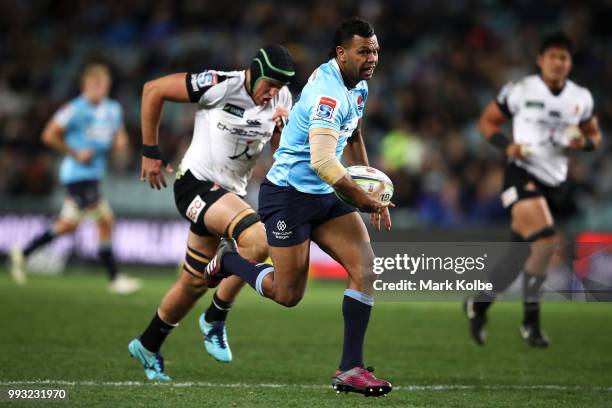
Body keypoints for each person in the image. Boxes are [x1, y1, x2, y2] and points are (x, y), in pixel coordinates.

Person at [203, 18, 393, 397]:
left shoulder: (357, 86)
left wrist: (369, 180)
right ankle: (229, 262)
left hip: (324, 195)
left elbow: (353, 132)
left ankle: (350, 369)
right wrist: (364, 198)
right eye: (363, 51)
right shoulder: (327, 95)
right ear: (341, 53)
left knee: (366, 269)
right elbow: (323, 162)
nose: (372, 57)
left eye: (374, 50)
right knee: (287, 294)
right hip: (288, 195)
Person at [129, 45, 295, 381]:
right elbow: (153, 90)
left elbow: (280, 157)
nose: (274, 93)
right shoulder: (221, 84)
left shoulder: (282, 100)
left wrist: (282, 132)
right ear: (254, 73)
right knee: (257, 241)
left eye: (280, 87)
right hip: (195, 184)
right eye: (270, 84)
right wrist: (149, 150)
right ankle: (216, 316)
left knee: (192, 282)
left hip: (227, 197)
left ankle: (147, 344)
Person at [464, 32, 602, 347]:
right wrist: (507, 145)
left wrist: (584, 142)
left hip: (555, 183)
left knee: (518, 256)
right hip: (521, 173)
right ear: (541, 60)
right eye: (552, 56)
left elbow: (595, 137)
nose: (557, 63)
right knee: (546, 240)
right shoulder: (521, 90)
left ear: (570, 63)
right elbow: (487, 123)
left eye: (564, 57)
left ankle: (479, 303)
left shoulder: (580, 98)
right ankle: (530, 322)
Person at [9, 63, 141, 295]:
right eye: (94, 85)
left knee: (67, 226)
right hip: (76, 175)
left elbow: (119, 135)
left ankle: (23, 253)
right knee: (106, 220)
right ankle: (115, 278)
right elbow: (48, 135)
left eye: (102, 85)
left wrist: (121, 142)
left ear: (108, 86)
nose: (98, 89)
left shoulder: (113, 109)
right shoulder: (74, 109)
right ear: (85, 86)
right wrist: (74, 152)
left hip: (94, 175)